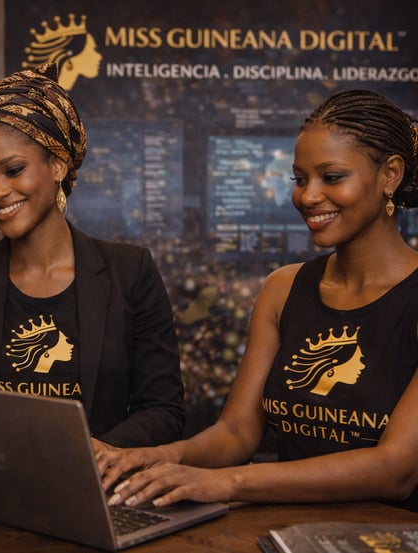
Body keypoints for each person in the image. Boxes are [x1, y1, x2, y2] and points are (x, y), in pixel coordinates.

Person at [98, 89, 418, 511]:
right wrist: (160, 456)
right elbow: (237, 433)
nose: (307, 197)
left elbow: (396, 469)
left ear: (390, 174)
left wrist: (228, 483)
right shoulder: (283, 289)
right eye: (300, 179)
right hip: (283, 531)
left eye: (332, 177)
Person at [0, 64, 185, 449]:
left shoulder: (131, 272)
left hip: (99, 483)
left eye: (13, 170)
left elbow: (163, 411)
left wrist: (92, 455)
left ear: (58, 164)